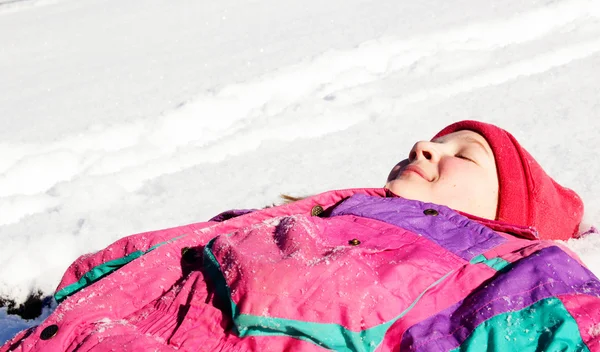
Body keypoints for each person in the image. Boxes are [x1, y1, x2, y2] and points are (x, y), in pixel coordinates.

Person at [2, 120, 599, 352]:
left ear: (508, 210)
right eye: (433, 141)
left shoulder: (504, 261)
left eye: (465, 154)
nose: (426, 147)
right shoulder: (331, 215)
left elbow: (576, 326)